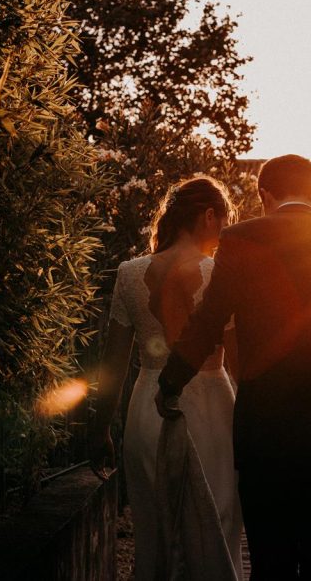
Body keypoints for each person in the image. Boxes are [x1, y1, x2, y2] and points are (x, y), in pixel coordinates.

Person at [156, 155, 311, 580]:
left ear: (264, 195)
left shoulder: (240, 239)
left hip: (265, 430)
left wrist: (170, 381)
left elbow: (207, 323)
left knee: (270, 561)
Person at [89, 176, 243, 580]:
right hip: (211, 409)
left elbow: (113, 364)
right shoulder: (219, 274)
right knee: (217, 523)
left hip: (147, 410)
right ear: (210, 217)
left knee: (154, 530)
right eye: (224, 220)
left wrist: (100, 426)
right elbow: (240, 362)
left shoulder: (129, 273)